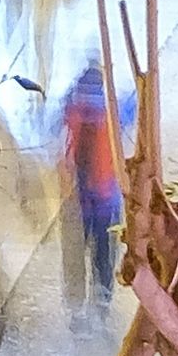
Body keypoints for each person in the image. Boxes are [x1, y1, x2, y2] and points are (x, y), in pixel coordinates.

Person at [55, 46, 130, 307]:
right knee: (104, 256)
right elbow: (133, 108)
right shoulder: (114, 110)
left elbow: (57, 123)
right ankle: (102, 303)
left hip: (76, 196)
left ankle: (76, 307)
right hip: (106, 196)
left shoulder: (72, 106)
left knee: (75, 255)